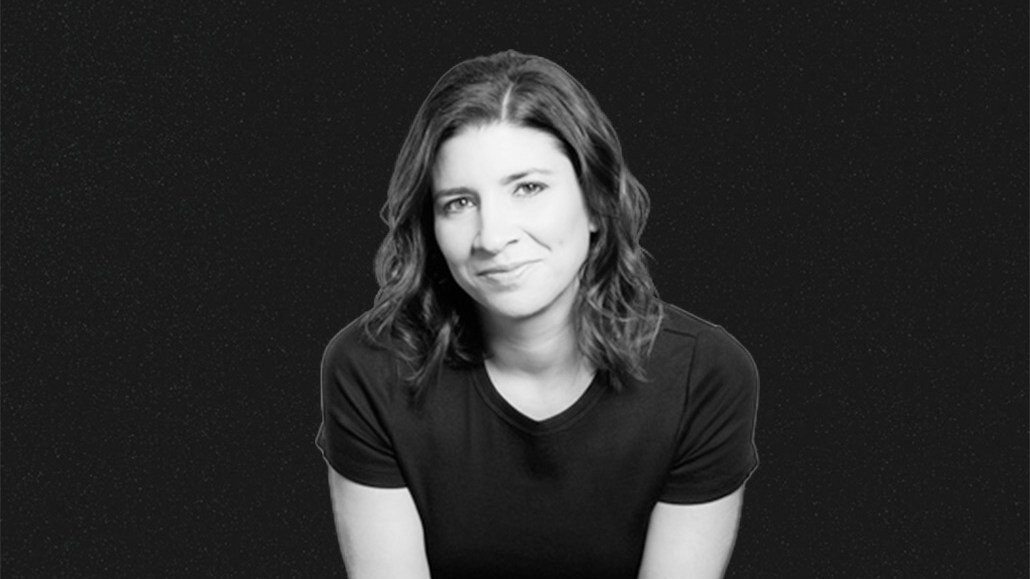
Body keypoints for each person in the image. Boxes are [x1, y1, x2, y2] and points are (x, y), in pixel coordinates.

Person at [316, 50, 759, 579]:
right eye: (459, 203)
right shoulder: (369, 370)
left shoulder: (703, 376)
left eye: (528, 188)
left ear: (596, 203)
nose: (491, 237)